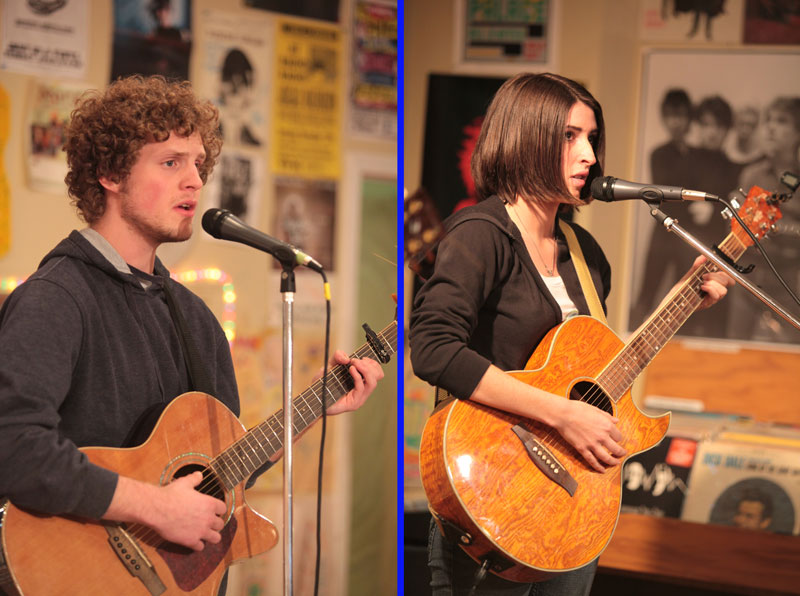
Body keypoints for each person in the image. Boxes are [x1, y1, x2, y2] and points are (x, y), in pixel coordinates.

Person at [0, 75, 383, 591]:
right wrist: (157, 506)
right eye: (171, 162)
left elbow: (221, 473)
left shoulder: (196, 319)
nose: (196, 182)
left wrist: (314, 406)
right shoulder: (56, 298)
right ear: (112, 173)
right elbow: (15, 448)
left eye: (198, 165)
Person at [409, 72, 733, 596]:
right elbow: (432, 347)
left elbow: (589, 371)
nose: (589, 155)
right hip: (496, 497)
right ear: (525, 137)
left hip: (575, 505)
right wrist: (563, 414)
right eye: (569, 136)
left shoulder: (584, 254)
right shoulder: (479, 236)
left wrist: (686, 298)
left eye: (591, 138)